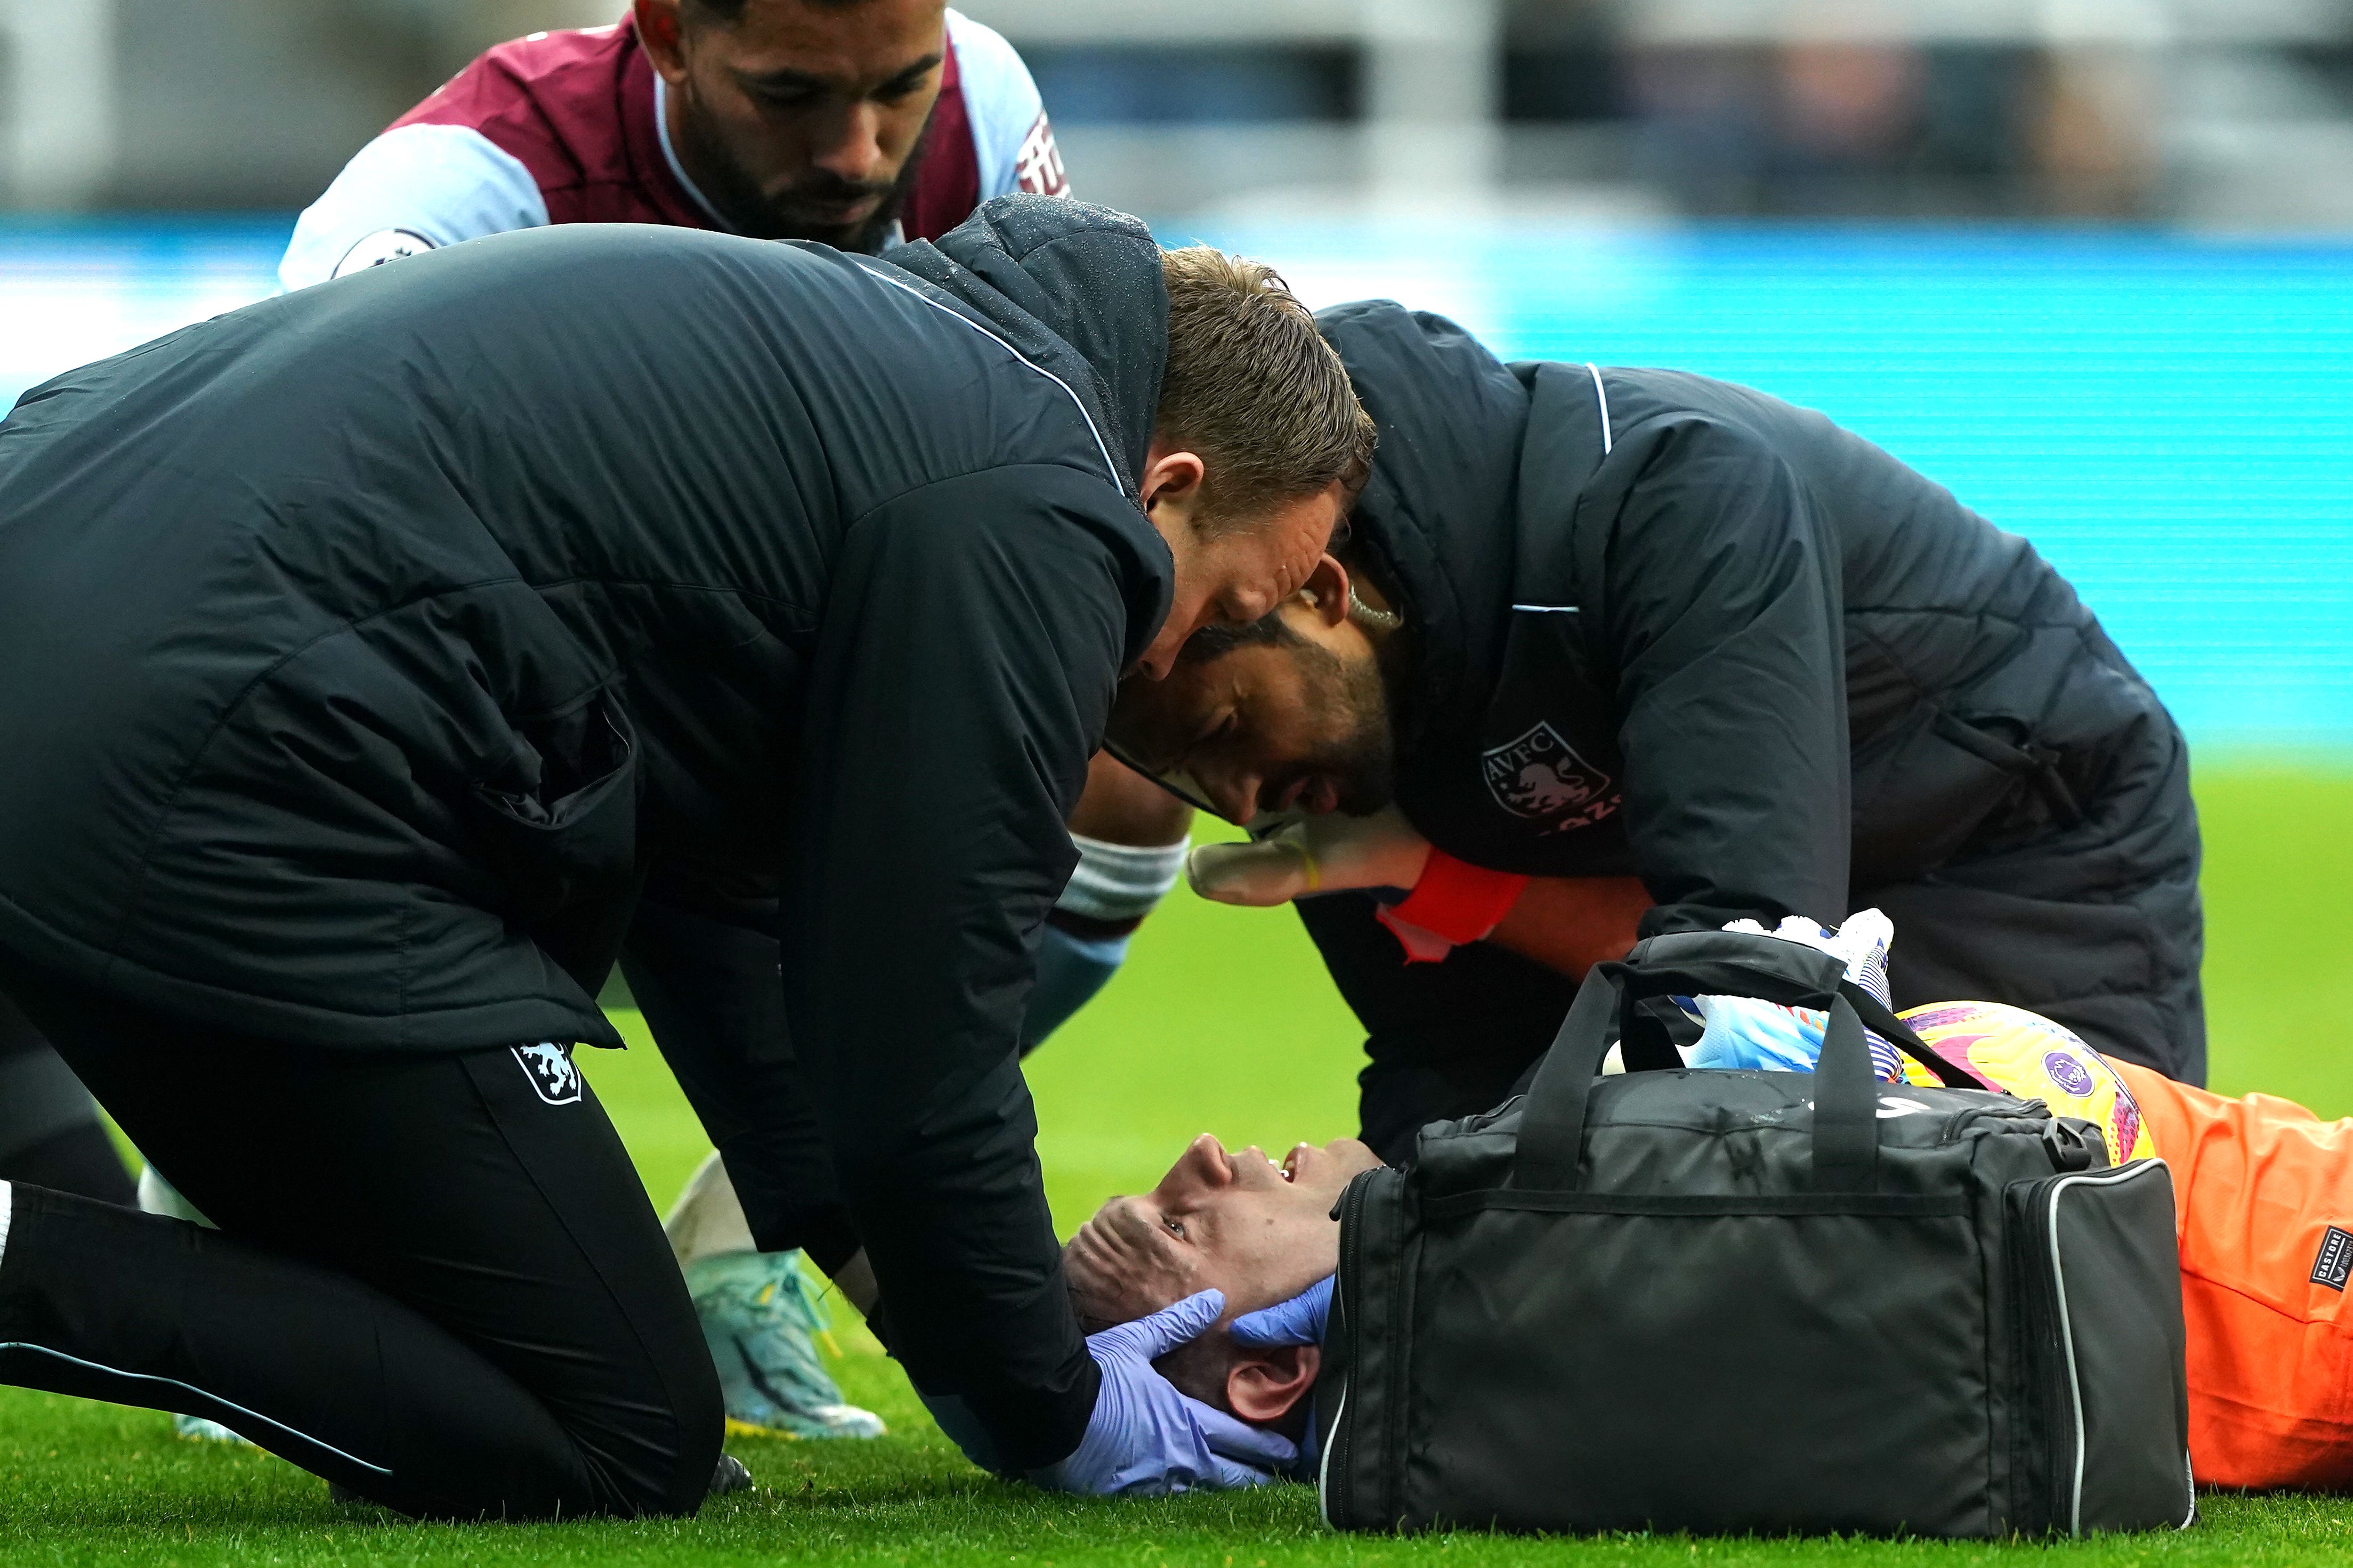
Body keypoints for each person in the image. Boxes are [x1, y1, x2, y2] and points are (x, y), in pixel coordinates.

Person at [0, 197, 1373, 1517]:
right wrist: (1051, 1413)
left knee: (498, 1322)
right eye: (1222, 604)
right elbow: (919, 1022)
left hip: (85, 619)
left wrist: (948, 1335)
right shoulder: (1039, 493)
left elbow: (724, 925)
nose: (1170, 656)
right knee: (626, 1427)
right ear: (1168, 485)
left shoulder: (918, 370)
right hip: (225, 753)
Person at [107, 0, 1189, 1445]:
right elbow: (296, 554)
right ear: (668, 36)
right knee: (612, 1417)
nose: (859, 150)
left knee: (1126, 768)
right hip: (486, 737)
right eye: (794, 95)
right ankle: (271, 1123)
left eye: (896, 91)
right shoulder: (452, 194)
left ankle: (737, 1248)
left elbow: (1064, 450)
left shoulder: (985, 101)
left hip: (762, 682)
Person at [1105, 299, 2204, 1164]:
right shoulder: (1341, 742)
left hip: (2007, 835)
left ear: (1314, 589)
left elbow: (1749, 991)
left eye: (1224, 726)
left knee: (2039, 1238)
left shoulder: (1667, 498)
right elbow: (1446, 1061)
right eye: (1192, 777)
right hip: (1733, 903)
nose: (1240, 801)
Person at [1062, 947, 2353, 1493]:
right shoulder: (1608, 1281)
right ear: (1279, 1365)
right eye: (1183, 1227)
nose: (1204, 1153)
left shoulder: (1576, 1221)